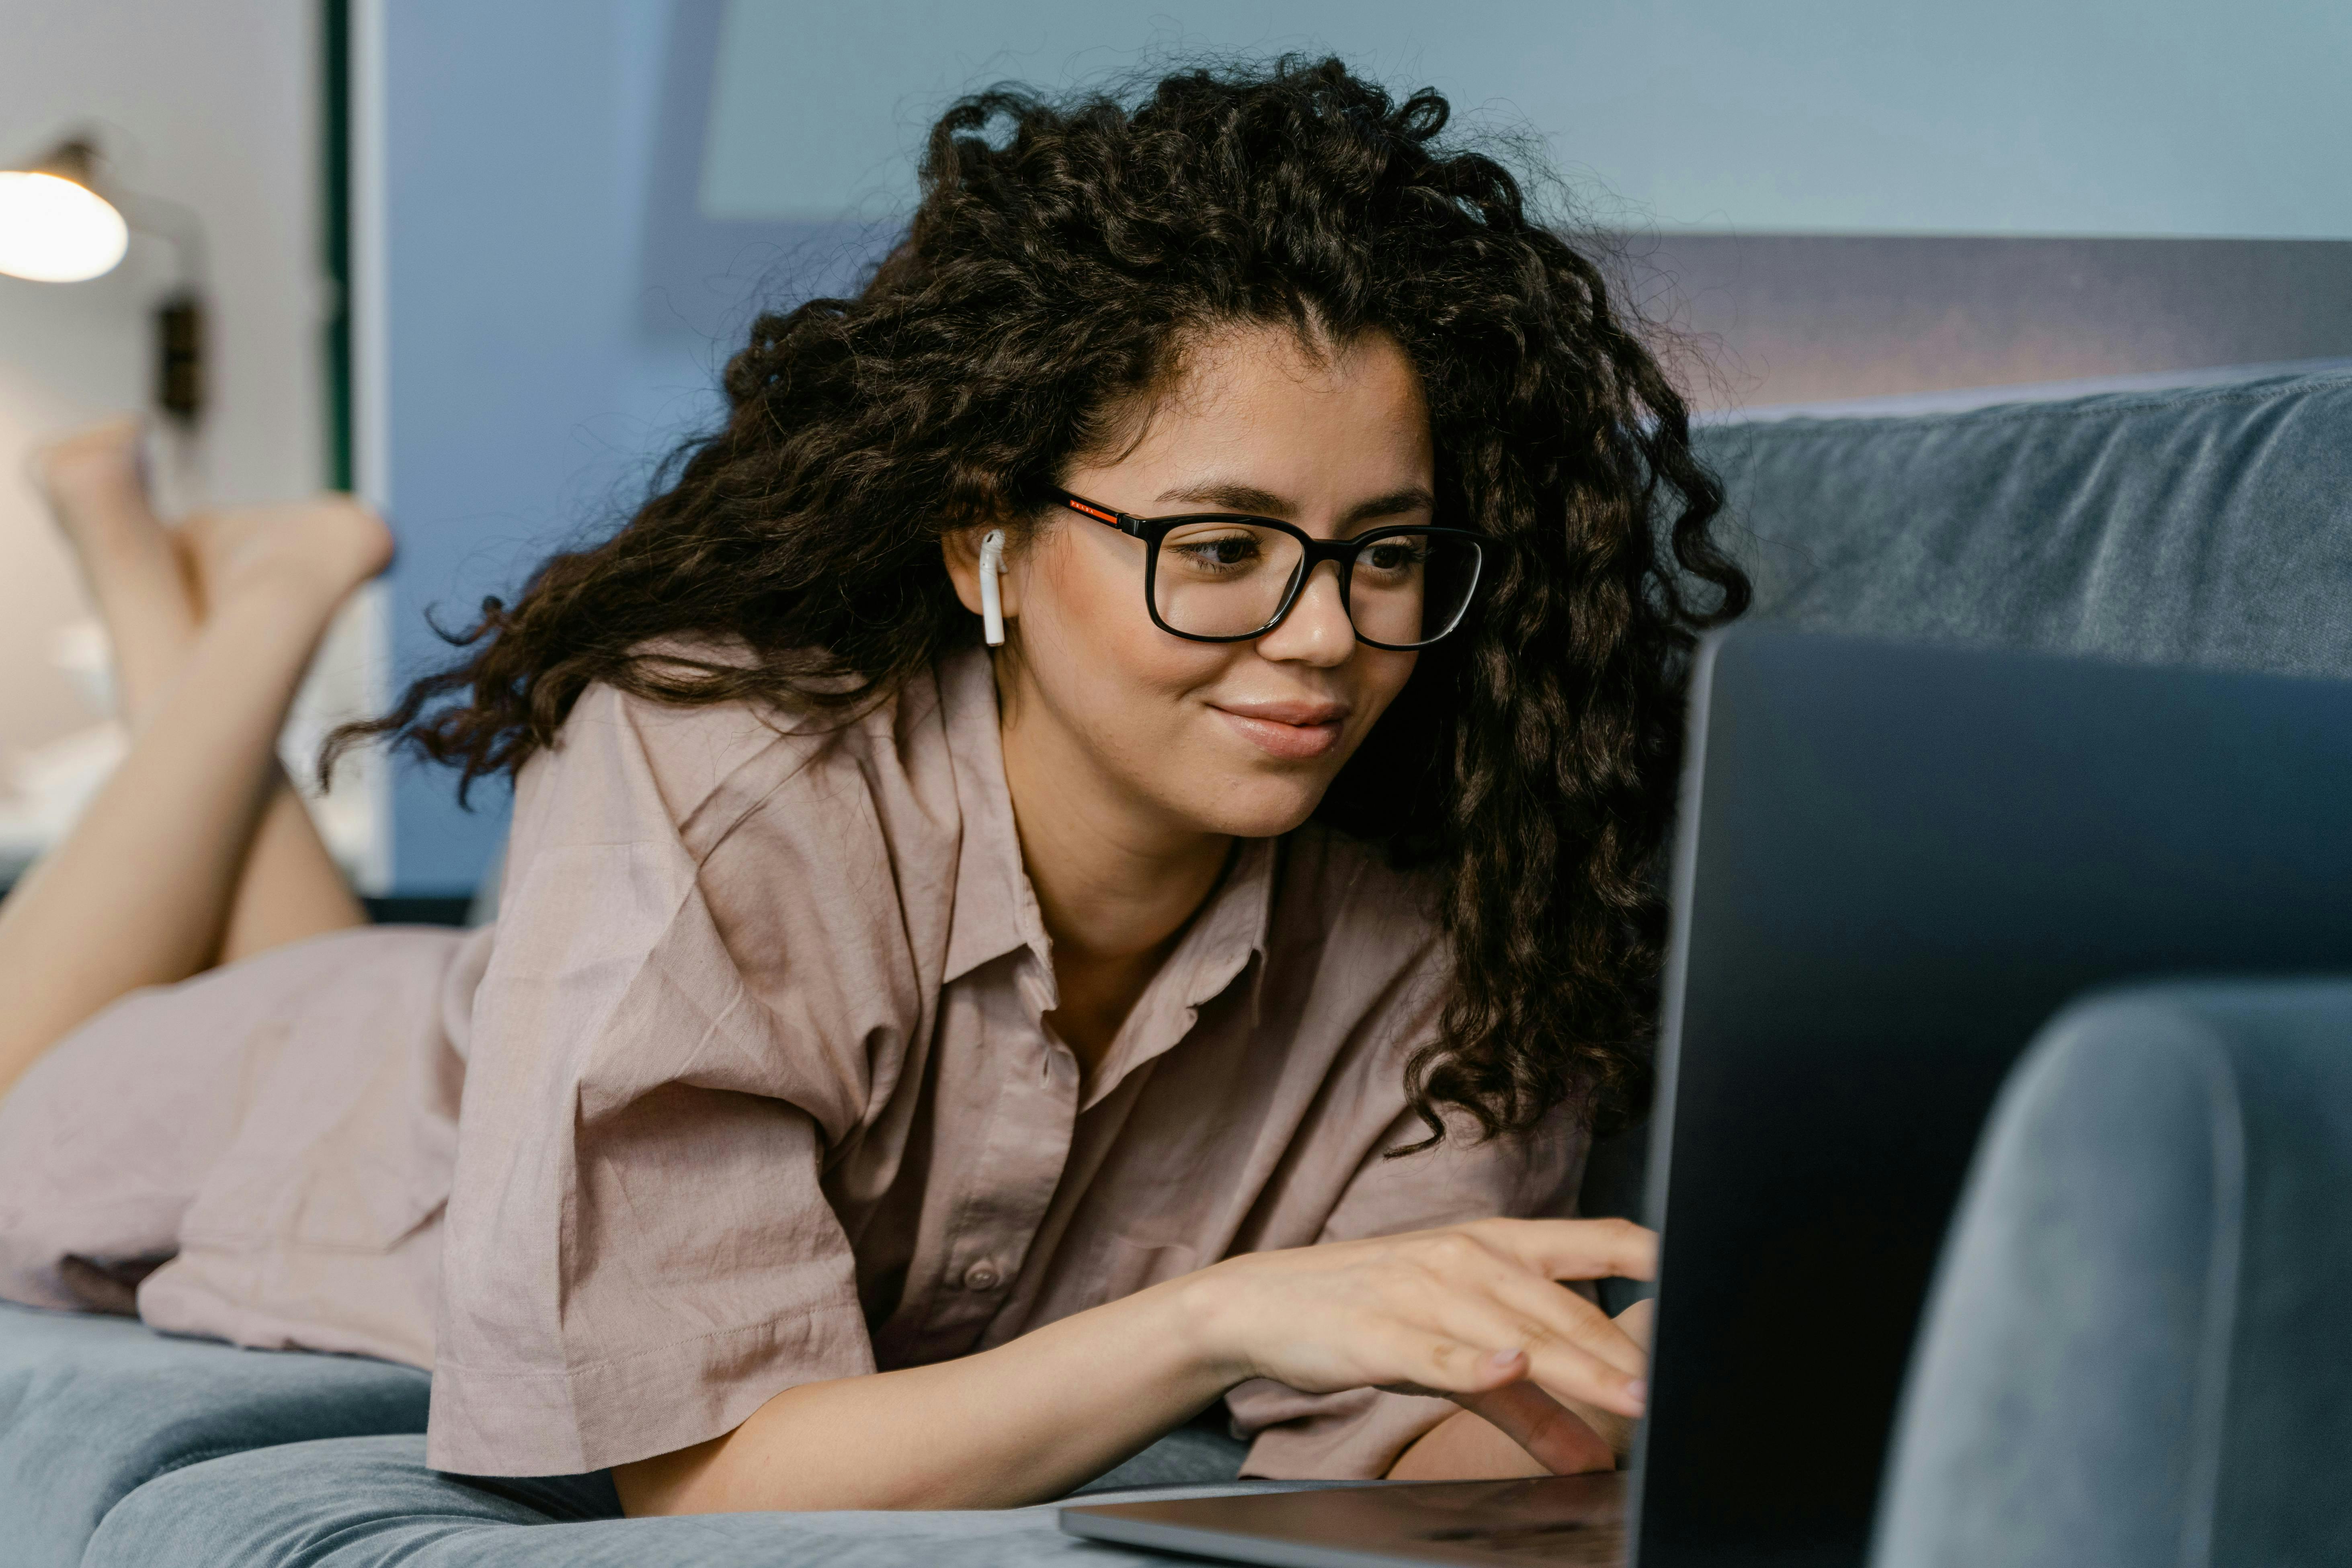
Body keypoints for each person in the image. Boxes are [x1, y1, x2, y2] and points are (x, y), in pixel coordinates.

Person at [0, 59, 1746, 1515]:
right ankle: (254, 614)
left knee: (361, 985)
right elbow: (706, 1483)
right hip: (316, 1120)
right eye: (1218, 548)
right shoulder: (717, 768)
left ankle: (200, 598)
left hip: (481, 1011)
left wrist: (1588, 1433)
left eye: (1383, 554)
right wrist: (1215, 1320)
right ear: (983, 536)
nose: (1318, 640)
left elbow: (1405, 1418)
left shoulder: (1467, 898)